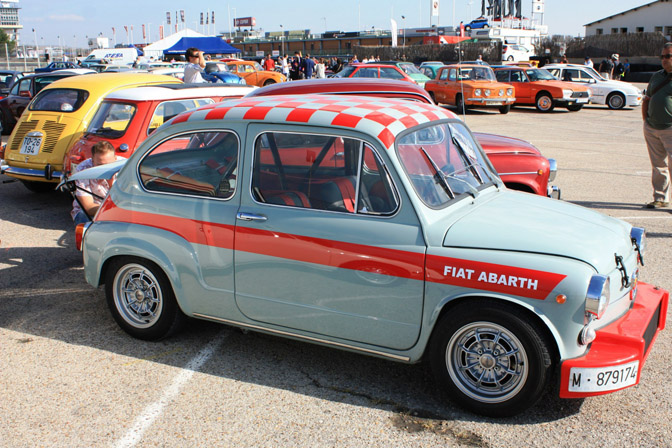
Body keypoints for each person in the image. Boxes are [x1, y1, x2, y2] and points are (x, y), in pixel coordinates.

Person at [642, 42, 672, 209]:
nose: (664, 59)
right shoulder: (657, 76)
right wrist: (646, 122)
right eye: (662, 56)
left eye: (668, 56)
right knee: (658, 165)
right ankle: (660, 198)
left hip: (670, 128)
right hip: (652, 128)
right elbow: (647, 99)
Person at [70, 141, 121, 225]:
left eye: (109, 165)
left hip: (117, 209)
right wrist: (115, 211)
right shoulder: (83, 170)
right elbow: (88, 208)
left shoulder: (125, 166)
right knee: (88, 220)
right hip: (93, 211)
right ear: (92, 160)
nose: (105, 169)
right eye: (100, 165)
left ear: (115, 158)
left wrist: (111, 183)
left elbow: (127, 199)